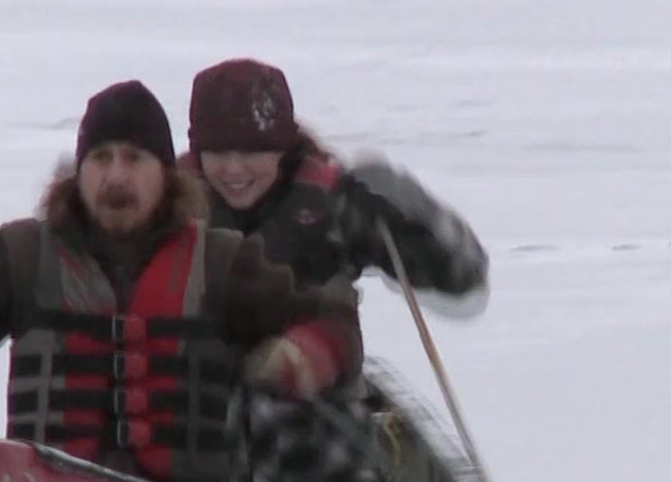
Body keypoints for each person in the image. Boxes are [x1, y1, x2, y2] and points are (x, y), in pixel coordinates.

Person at [0, 79, 365, 482]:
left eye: (134, 158)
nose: (115, 176)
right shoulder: (22, 259)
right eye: (100, 158)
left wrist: (301, 355)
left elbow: (329, 321)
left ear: (166, 177)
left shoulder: (221, 264)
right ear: (79, 173)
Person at [182, 58, 490, 314]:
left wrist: (413, 219)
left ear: (283, 148)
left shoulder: (334, 204)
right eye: (218, 152)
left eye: (253, 151)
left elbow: (463, 282)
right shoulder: (168, 202)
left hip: (312, 373)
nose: (234, 169)